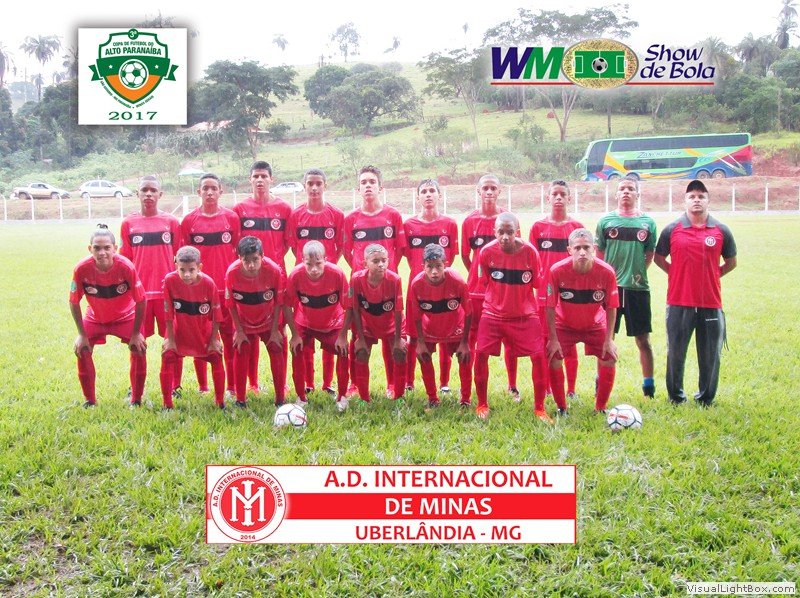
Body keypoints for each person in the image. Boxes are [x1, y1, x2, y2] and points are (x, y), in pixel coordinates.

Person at [654, 179, 737, 407]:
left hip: (711, 302)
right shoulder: (672, 229)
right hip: (679, 301)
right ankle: (676, 397)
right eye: (692, 196)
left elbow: (731, 262)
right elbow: (658, 258)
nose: (696, 200)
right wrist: (676, 273)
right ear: (685, 201)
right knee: (676, 352)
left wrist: (713, 275)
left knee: (710, 355)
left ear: (708, 200)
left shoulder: (721, 230)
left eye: (701, 196)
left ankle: (705, 398)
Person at [473, 213, 546, 420]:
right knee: (481, 353)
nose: (505, 237)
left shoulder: (530, 252)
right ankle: (482, 404)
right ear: (494, 232)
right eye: (501, 232)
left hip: (525, 314)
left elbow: (537, 283)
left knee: (538, 356)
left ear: (517, 232)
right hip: (493, 313)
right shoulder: (486, 252)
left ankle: (540, 408)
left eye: (510, 232)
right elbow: (484, 281)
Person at [343, 166, 406, 397]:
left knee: (392, 335)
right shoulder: (351, 219)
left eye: (372, 182)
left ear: (380, 187)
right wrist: (363, 272)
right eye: (363, 182)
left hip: (388, 286)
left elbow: (400, 250)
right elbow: (346, 251)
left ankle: (392, 384)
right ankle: (355, 384)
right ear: (358, 189)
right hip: (361, 287)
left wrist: (385, 272)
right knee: (358, 335)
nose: (368, 185)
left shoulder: (393, 216)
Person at [69, 225, 147, 407]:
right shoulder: (81, 269)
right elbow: (73, 301)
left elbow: (141, 300)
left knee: (139, 348)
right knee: (82, 349)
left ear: (115, 248)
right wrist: (81, 334)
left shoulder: (126, 267)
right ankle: (90, 401)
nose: (102, 252)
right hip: (95, 318)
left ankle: (136, 400)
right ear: (90, 249)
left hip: (126, 317)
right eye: (97, 248)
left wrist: (136, 333)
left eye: (107, 248)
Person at [233, 161, 293, 393]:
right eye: (256, 176)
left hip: (276, 278)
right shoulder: (240, 209)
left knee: (278, 330)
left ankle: (282, 383)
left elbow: (287, 243)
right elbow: (238, 245)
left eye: (264, 176)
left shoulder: (284, 208)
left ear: (271, 179)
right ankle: (253, 383)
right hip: (247, 278)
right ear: (250, 180)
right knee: (250, 329)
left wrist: (271, 264)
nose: (260, 180)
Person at [119, 175, 182, 395]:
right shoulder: (128, 224)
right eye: (144, 190)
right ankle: (136, 387)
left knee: (173, 341)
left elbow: (180, 259)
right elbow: (125, 262)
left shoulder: (171, 222)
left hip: (167, 295)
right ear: (137, 193)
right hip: (140, 296)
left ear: (160, 194)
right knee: (137, 343)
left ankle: (174, 386)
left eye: (153, 190)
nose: (148, 194)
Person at [595, 176, 657, 398]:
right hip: (609, 290)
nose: (626, 192)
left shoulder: (648, 223)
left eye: (631, 188)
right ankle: (600, 384)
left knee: (643, 340)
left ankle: (648, 387)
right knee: (606, 339)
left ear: (637, 194)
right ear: (616, 194)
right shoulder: (605, 221)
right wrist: (606, 281)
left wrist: (636, 274)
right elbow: (599, 255)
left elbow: (649, 254)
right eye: (622, 188)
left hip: (637, 290)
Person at [546, 229, 619, 416]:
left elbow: (612, 307)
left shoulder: (606, 272)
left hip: (595, 325)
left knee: (609, 356)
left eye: (586, 247)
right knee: (554, 357)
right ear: (569, 250)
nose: (582, 252)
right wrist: (553, 339)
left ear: (593, 248)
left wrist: (609, 340)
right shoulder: (556, 271)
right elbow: (550, 306)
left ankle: (600, 407)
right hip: (564, 324)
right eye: (577, 248)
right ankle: (561, 407)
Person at [286, 168, 345, 396]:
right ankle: (308, 383)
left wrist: (326, 268)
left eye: (318, 183)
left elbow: (340, 247)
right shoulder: (296, 215)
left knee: (331, 328)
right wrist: (307, 267)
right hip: (304, 281)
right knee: (305, 330)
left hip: (328, 280)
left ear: (325, 186)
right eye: (310, 183)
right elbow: (293, 246)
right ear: (304, 186)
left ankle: (328, 382)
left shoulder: (336, 214)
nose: (314, 187)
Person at [461, 174, 520, 400]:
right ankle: (468, 391)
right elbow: (465, 256)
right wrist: (479, 275)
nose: (488, 192)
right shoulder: (469, 221)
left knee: (509, 338)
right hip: (476, 291)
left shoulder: (509, 219)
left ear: (499, 191)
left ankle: (512, 385)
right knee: (472, 337)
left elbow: (518, 252)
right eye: (485, 188)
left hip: (504, 289)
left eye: (493, 188)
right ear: (478, 191)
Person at [180, 173, 239, 396]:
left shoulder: (231, 218)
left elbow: (237, 253)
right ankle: (203, 387)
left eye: (214, 188)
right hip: (199, 292)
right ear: (199, 192)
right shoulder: (189, 221)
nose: (210, 192)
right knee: (201, 338)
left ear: (221, 192)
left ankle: (232, 387)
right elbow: (184, 258)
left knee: (229, 338)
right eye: (205, 188)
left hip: (226, 291)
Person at [529, 180, 585, 400]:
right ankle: (547, 387)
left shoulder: (577, 227)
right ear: (548, 198)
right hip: (545, 295)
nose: (559, 197)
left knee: (568, 344)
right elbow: (532, 262)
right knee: (546, 341)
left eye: (563, 194)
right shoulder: (538, 227)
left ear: (569, 198)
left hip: (571, 296)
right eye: (555, 194)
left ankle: (571, 389)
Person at [402, 178, 459, 394]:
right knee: (413, 335)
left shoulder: (450, 224)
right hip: (416, 289)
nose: (428, 194)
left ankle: (444, 383)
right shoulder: (409, 225)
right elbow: (408, 256)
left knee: (444, 334)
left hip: (443, 289)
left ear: (439, 195)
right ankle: (409, 382)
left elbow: (451, 256)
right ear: (418, 197)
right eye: (424, 191)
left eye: (432, 191)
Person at [284, 241, 351, 411]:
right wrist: (294, 335)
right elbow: (286, 305)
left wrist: (343, 335)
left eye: (318, 263)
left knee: (344, 350)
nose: (314, 269)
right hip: (305, 322)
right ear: (302, 261)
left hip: (332, 323)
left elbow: (349, 307)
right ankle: (301, 397)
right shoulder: (295, 275)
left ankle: (342, 396)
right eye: (309, 264)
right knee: (296, 349)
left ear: (326, 260)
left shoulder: (337, 274)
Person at [407, 244, 472, 409]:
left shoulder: (458, 281)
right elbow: (416, 315)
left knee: (464, 357)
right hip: (430, 327)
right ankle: (433, 398)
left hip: (455, 326)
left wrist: (465, 342)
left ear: (446, 264)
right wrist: (420, 342)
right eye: (429, 267)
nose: (434, 271)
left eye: (438, 266)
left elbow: (469, 312)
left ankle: (465, 399)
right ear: (423, 266)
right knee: (423, 355)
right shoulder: (416, 284)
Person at [225, 236, 287, 408]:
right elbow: (230, 305)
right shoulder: (232, 273)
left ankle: (280, 399)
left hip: (268, 320)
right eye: (246, 261)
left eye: (255, 260)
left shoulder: (274, 270)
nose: (251, 265)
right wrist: (239, 331)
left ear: (262, 256)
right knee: (241, 348)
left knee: (276, 347)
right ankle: (240, 399)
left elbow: (279, 302)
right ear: (239, 258)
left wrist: (275, 330)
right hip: (244, 322)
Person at [160, 246, 226, 409]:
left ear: (199, 267)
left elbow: (217, 316)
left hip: (203, 329)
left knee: (216, 355)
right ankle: (167, 404)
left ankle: (220, 402)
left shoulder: (209, 283)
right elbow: (168, 313)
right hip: (180, 329)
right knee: (168, 355)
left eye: (191, 270)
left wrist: (213, 340)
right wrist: (170, 339)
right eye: (182, 270)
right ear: (176, 266)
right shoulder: (169, 280)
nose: (187, 274)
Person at [350, 244, 407, 402]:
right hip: (367, 324)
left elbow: (398, 310)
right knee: (361, 352)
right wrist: (360, 338)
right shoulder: (356, 279)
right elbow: (355, 309)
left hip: (391, 325)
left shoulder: (395, 280)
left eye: (384, 260)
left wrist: (398, 339)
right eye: (375, 261)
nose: (381, 264)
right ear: (365, 264)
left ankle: (399, 396)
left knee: (400, 352)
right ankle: (364, 399)